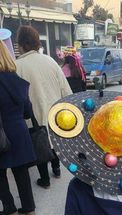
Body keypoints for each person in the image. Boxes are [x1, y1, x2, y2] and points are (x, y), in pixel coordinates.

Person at [16, 26, 72, 189]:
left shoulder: (17, 66)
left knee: (39, 144)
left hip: (33, 115)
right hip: (55, 113)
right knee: (52, 142)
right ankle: (56, 169)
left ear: (21, 44)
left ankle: (44, 179)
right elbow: (66, 90)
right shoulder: (50, 61)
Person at [0, 40, 36, 215]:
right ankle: (30, 209)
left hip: (1, 133)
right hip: (19, 129)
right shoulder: (17, 80)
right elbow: (28, 112)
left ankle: (10, 209)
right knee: (21, 170)